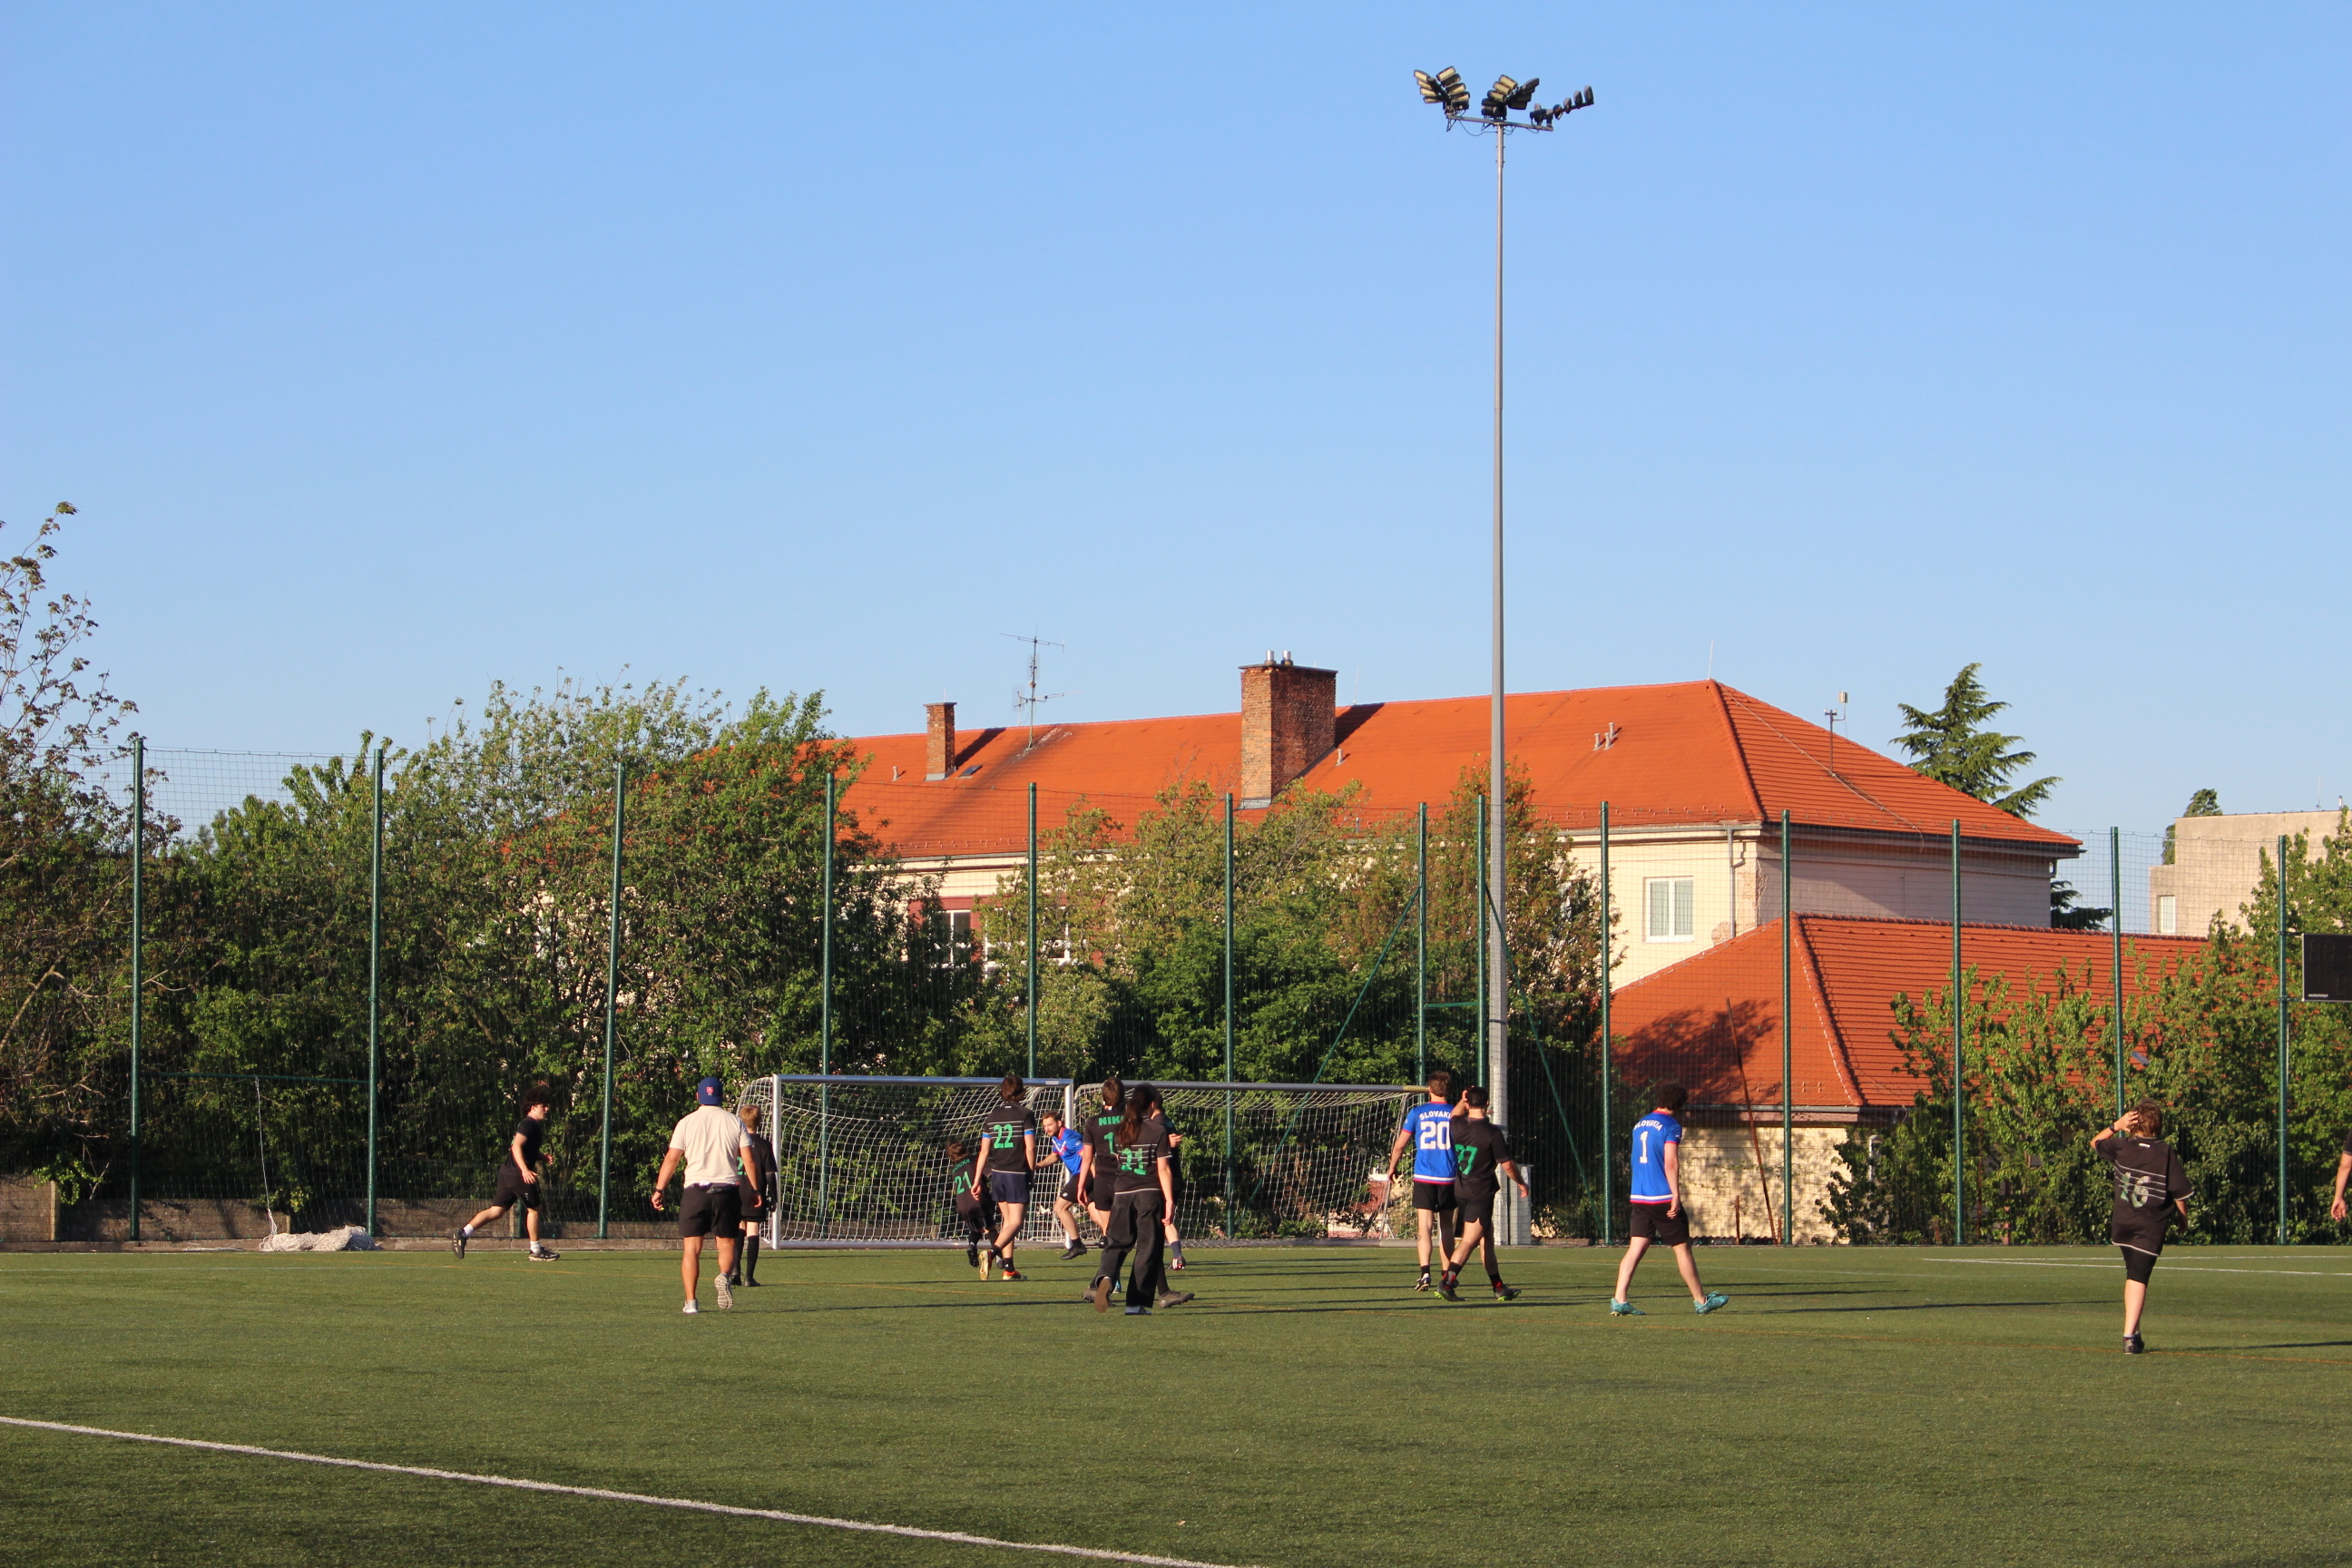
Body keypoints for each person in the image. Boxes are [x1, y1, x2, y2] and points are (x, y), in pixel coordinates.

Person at [1611, 1083, 1728, 1317]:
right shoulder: (1671, 1125)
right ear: (1680, 1104)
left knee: (1635, 1248)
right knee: (1682, 1249)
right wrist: (1675, 1194)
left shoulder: (1640, 1123)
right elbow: (1671, 1162)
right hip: (1662, 1196)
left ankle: (1619, 1300)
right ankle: (1701, 1301)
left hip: (1639, 1196)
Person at [650, 1076, 763, 1314]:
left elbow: (672, 1159)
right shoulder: (735, 1121)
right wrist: (754, 1189)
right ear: (721, 1097)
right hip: (726, 1190)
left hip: (695, 1191)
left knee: (692, 1248)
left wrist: (660, 1189)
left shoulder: (686, 1122)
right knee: (727, 1243)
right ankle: (724, 1275)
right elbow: (749, 1160)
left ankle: (691, 1302)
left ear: (698, 1097)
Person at [1085, 1083, 1194, 1315]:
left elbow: (1119, 1158)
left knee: (1117, 1243)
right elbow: (1163, 1169)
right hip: (1148, 1194)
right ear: (1153, 1104)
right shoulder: (1157, 1130)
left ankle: (1105, 1278)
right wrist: (1169, 1201)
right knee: (1147, 1248)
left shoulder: (1121, 1130)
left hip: (1122, 1193)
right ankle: (1135, 1304)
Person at [2093, 1099, 2192, 1354]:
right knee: (2139, 1277)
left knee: (2132, 1274)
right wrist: (2183, 1218)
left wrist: (2116, 1126)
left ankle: (2135, 1333)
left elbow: (2095, 1142)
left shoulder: (2122, 1145)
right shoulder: (2164, 1151)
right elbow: (2180, 1191)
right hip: (2150, 1224)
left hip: (2123, 1221)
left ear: (2133, 1124)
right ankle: (2128, 1336)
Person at [1437, 1086, 1528, 1303]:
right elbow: (1507, 1164)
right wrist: (1521, 1183)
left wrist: (1462, 1099)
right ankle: (1447, 1283)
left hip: (1461, 1189)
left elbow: (1454, 1114)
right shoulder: (1491, 1132)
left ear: (1468, 1103)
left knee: (1487, 1238)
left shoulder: (1457, 1124)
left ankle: (1499, 1287)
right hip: (1480, 1193)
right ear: (1487, 1104)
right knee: (1469, 1240)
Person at [452, 1084, 560, 1262]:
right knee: (535, 1209)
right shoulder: (529, 1124)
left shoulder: (530, 1125)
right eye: (543, 1106)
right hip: (518, 1174)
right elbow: (516, 1147)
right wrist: (525, 1170)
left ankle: (464, 1233)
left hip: (507, 1172)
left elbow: (526, 1149)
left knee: (496, 1211)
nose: (547, 1109)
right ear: (533, 1107)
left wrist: (542, 1157)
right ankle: (536, 1250)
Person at [1383, 1068, 1459, 1291]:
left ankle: (1425, 1274)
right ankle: (1447, 1276)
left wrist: (1392, 1167)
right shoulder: (1456, 1113)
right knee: (1446, 1227)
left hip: (1424, 1176)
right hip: (1448, 1176)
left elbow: (1400, 1144)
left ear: (1429, 1089)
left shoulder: (1417, 1112)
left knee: (1424, 1227)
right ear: (1448, 1089)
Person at [972, 1073, 1036, 1281]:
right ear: (1022, 1092)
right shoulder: (1026, 1114)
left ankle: (1009, 1268)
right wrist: (1031, 1171)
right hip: (1016, 1172)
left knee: (1008, 1222)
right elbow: (1030, 1147)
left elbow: (984, 1151)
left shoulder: (992, 1115)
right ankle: (991, 1253)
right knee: (1016, 1222)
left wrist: (976, 1180)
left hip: (997, 1173)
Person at [727, 1101, 778, 1288]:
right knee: (753, 1231)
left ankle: (736, 1272)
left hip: (736, 1191)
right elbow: (770, 1175)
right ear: (760, 1121)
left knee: (739, 1229)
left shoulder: (734, 1143)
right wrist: (774, 1197)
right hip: (755, 1193)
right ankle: (749, 1277)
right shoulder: (764, 1144)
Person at [1037, 1110, 1088, 1260]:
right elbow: (1055, 1155)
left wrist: (1093, 1178)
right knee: (1094, 1209)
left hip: (1083, 1174)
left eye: (1049, 1125)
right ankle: (1111, 1238)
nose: (1047, 1129)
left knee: (1060, 1207)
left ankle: (1077, 1245)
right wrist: (1037, 1166)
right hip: (1080, 1175)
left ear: (1059, 1123)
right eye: (1044, 1126)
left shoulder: (1070, 1137)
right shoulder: (1056, 1138)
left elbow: (1088, 1157)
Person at [946, 1138, 1000, 1271]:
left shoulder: (954, 1169)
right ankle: (1000, 1260)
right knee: (991, 1229)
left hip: (962, 1205)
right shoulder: (975, 1160)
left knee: (976, 1230)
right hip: (978, 1200)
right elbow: (991, 1174)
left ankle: (972, 1245)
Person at [1161, 1127, 1189, 1272]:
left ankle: (1176, 1256)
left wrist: (1165, 1142)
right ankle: (1177, 1255)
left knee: (1162, 1219)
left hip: (1164, 1179)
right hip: (1174, 1177)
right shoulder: (1165, 1121)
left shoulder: (1156, 1122)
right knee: (1165, 1220)